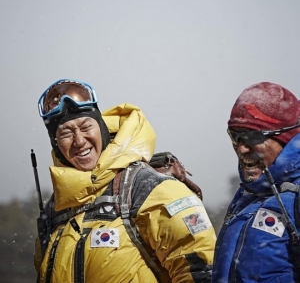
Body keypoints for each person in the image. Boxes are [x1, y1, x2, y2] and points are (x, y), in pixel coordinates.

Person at [33, 78, 216, 283]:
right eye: (66, 132)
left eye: (86, 127)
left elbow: (202, 272)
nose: (79, 140)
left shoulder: (146, 188)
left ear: (101, 127)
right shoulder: (56, 208)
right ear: (56, 143)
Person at [212, 82, 300, 282]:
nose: (241, 148)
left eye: (251, 136)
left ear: (285, 138)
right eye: (235, 136)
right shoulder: (249, 193)